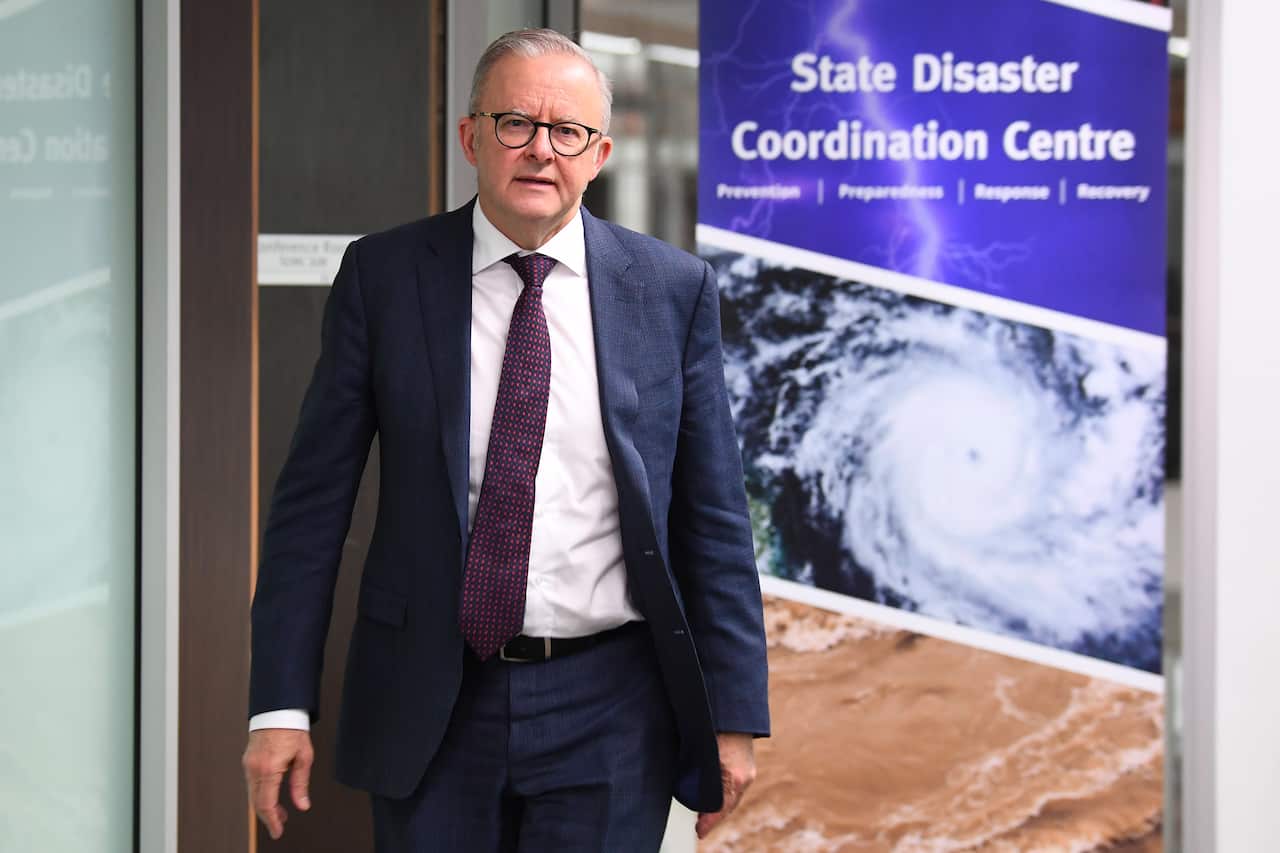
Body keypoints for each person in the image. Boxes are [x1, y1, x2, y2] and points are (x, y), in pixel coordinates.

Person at [242, 28, 769, 852]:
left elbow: (713, 515)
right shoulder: (384, 278)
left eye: (567, 133)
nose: (540, 151)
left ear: (598, 154)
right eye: (516, 123)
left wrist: (733, 714)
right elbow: (310, 510)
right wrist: (279, 704)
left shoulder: (672, 291)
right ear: (471, 137)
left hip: (613, 703)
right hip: (433, 697)